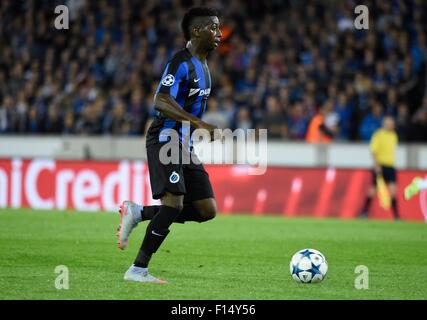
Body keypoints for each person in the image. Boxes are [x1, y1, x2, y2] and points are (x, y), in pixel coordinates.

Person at [116, 7, 222, 284]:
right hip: (165, 139)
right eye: (214, 28)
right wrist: (198, 123)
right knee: (173, 204)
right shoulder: (180, 62)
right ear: (196, 30)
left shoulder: (206, 68)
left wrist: (194, 127)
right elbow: (160, 100)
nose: (219, 34)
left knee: (206, 209)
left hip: (184, 146)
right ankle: (137, 269)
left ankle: (138, 212)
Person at [359, 116, 399, 220]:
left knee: (393, 191)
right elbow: (373, 151)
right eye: (387, 123)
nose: (389, 125)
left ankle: (396, 216)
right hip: (380, 166)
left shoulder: (394, 136)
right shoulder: (378, 135)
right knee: (372, 190)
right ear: (384, 124)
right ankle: (364, 212)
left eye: (391, 123)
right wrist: (376, 165)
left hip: (390, 166)